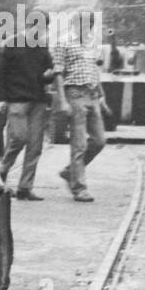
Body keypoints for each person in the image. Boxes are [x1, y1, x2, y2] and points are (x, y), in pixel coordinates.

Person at [0, 11, 56, 200]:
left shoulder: (42, 47)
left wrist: (49, 75)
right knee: (19, 138)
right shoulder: (11, 44)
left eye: (44, 26)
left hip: (38, 100)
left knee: (35, 146)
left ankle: (25, 188)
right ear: (29, 24)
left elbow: (48, 72)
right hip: (16, 101)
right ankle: (0, 173)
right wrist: (1, 99)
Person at [51, 12, 109, 202]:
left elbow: (94, 69)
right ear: (75, 23)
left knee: (99, 141)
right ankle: (79, 188)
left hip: (92, 95)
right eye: (85, 22)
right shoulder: (63, 42)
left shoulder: (93, 43)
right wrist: (62, 100)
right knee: (79, 144)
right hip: (75, 94)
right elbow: (58, 72)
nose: (89, 25)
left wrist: (101, 96)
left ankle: (70, 172)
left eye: (91, 22)